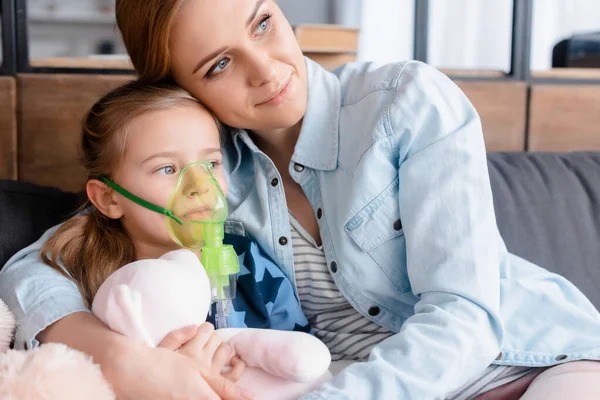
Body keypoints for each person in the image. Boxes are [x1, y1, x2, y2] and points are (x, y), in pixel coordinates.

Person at [2, 0, 600, 398]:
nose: (265, 71)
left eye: (262, 23)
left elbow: (466, 319)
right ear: (178, 87)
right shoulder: (203, 168)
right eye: (218, 65)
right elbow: (36, 269)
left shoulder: (407, 103)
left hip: (535, 360)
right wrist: (126, 361)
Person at [1, 79, 310, 400]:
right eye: (167, 169)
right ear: (108, 198)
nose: (201, 186)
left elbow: (301, 363)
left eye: (210, 163)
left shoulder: (252, 265)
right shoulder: (93, 278)